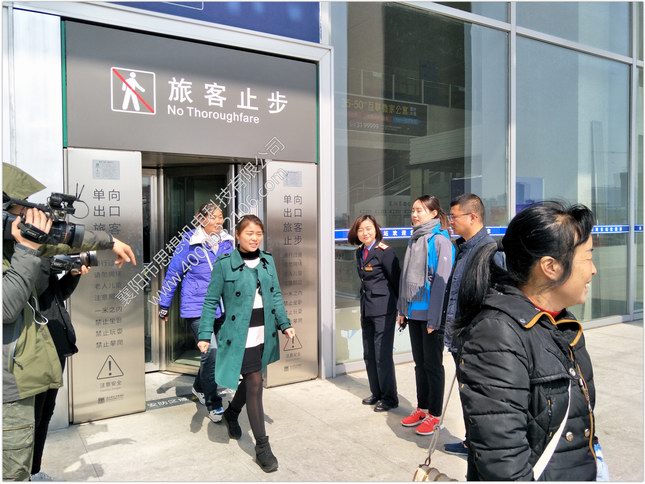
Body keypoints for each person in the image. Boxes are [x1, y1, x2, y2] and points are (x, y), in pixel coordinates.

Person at [2, 163, 136, 481]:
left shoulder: (17, 245)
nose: (27, 216)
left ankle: (33, 472)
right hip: (11, 377)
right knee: (12, 467)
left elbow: (66, 239)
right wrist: (28, 248)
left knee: (31, 437)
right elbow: (7, 307)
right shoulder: (23, 249)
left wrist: (109, 241)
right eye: (20, 208)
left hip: (33, 362)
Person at [454, 201, 601, 480]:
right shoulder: (497, 335)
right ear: (550, 267)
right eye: (588, 257)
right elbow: (503, 465)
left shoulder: (561, 323)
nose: (593, 270)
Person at [197, 215, 295, 473]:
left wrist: (284, 323)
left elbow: (275, 295)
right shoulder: (224, 264)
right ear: (238, 235)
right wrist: (205, 334)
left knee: (254, 380)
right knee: (254, 381)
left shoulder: (267, 261)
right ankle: (262, 447)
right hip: (239, 335)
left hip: (264, 331)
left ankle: (232, 412)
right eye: (249, 233)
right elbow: (210, 301)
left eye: (258, 234)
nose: (254, 238)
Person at [158, 202, 235, 423]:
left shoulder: (227, 242)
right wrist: (164, 305)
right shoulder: (189, 243)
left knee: (217, 354)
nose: (219, 221)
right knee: (211, 352)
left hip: (221, 306)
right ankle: (213, 402)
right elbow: (173, 274)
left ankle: (200, 387)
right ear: (200, 219)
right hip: (197, 307)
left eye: (221, 217)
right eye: (214, 217)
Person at [440, 194, 503, 456]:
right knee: (468, 394)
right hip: (460, 338)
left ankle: (481, 447)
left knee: (479, 397)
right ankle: (472, 442)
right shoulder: (464, 249)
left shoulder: (490, 253)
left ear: (473, 217)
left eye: (454, 216)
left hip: (476, 341)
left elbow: (498, 301)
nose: (451, 221)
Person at [397, 195, 454, 436]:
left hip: (432, 317)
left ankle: (435, 415)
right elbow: (405, 278)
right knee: (419, 364)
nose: (414, 214)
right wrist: (402, 309)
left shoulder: (440, 241)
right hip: (414, 313)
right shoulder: (415, 239)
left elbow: (442, 284)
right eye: (413, 210)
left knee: (433, 366)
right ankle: (422, 408)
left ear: (433, 213)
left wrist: (435, 318)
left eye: (419, 210)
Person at [30, 262, 90, 481]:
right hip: (34, 348)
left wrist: (72, 275)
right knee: (32, 416)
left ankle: (34, 470)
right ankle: (21, 473)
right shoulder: (22, 260)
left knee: (46, 412)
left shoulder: (42, 260)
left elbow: (56, 297)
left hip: (55, 344)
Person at [347, 215, 401, 412]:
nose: (365, 233)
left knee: (382, 355)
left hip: (384, 310)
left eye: (368, 228)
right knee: (369, 354)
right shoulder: (360, 252)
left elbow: (396, 282)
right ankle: (376, 392)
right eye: (361, 230)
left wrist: (400, 310)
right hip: (366, 308)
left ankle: (389, 398)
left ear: (376, 229)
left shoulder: (385, 252)